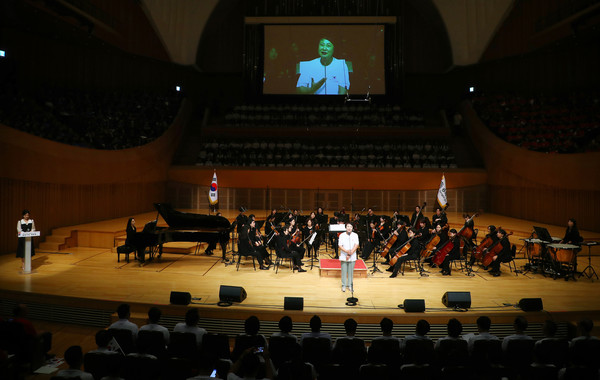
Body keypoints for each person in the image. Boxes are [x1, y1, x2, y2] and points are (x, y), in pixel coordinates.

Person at [338, 223, 359, 292]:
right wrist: (347, 252)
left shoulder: (355, 235)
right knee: (344, 272)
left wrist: (351, 252)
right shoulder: (342, 235)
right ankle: (343, 285)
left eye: (350, 226)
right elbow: (340, 245)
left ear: (352, 228)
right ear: (345, 228)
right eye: (348, 226)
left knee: (350, 272)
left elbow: (356, 244)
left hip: (352, 255)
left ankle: (350, 285)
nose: (349, 228)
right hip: (344, 255)